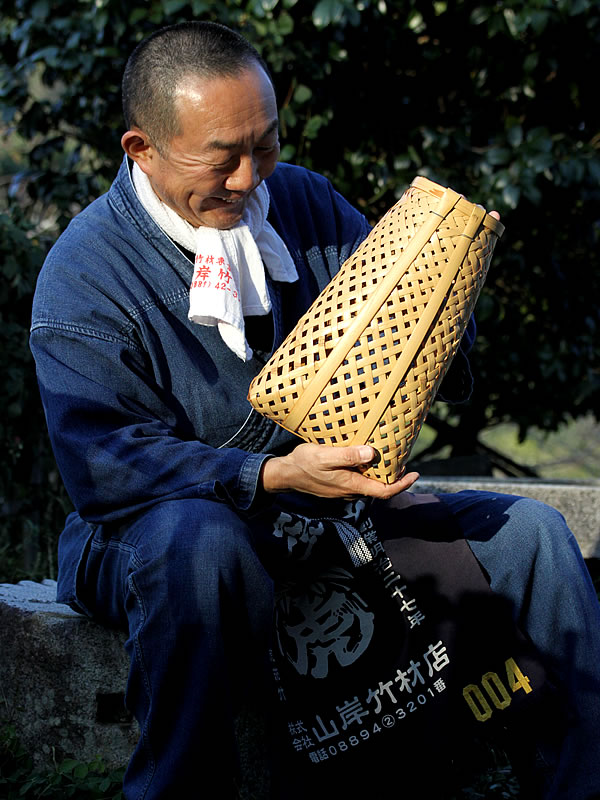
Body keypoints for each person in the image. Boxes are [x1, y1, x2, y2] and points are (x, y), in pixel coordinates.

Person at [30, 20, 600, 800]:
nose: (247, 177)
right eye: (220, 156)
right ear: (142, 149)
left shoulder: (298, 198)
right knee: (201, 544)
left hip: (323, 509)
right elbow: (106, 469)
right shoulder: (85, 275)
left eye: (263, 144)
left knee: (533, 537)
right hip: (152, 530)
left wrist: (448, 285)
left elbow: (415, 339)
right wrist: (266, 473)